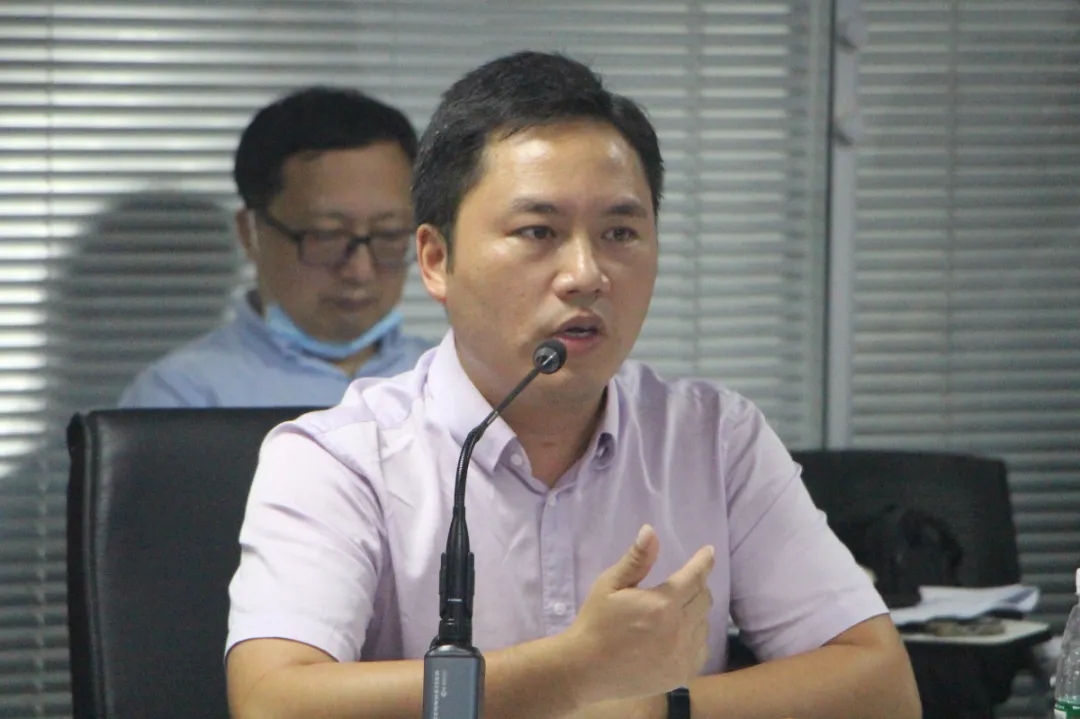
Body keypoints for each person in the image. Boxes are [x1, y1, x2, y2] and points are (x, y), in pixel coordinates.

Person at [225, 52, 921, 719]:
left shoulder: (715, 438)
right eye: (539, 231)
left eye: (620, 232)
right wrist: (571, 671)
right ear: (436, 259)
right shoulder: (339, 459)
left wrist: (651, 709)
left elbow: (881, 687)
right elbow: (272, 701)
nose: (586, 274)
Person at [119, 87, 432, 408]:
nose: (360, 271)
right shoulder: (183, 397)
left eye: (390, 234)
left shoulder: (445, 379)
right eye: (326, 236)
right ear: (250, 232)